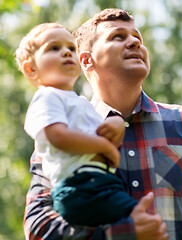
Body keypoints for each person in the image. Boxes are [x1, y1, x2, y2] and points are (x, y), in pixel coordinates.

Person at [23, 9, 182, 240]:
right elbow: (37, 225)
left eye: (138, 38)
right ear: (86, 60)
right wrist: (117, 234)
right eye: (118, 36)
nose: (134, 42)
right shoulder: (60, 127)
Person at [15, 22, 138, 227]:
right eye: (54, 48)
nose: (66, 53)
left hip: (99, 182)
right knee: (137, 219)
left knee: (136, 220)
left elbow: (102, 132)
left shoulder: (80, 102)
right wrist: (104, 147)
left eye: (71, 48)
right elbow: (58, 137)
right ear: (31, 68)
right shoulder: (47, 97)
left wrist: (116, 123)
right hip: (79, 185)